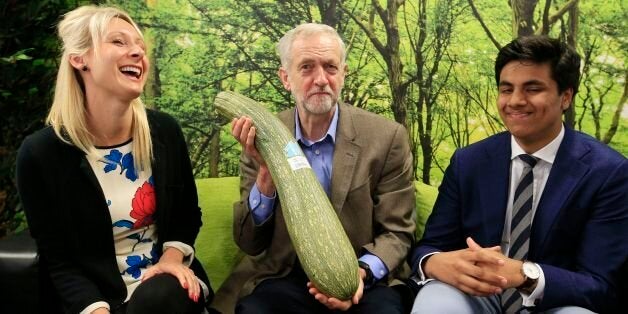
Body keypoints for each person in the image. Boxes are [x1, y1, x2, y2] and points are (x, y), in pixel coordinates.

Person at [408, 35, 628, 313]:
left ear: (566, 97)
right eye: (506, 89)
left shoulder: (608, 172)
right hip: (478, 294)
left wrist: (526, 274)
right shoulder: (469, 162)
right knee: (436, 298)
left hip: (557, 302)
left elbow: (601, 286)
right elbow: (430, 246)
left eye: (532, 89)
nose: (515, 101)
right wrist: (432, 262)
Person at [16, 5, 213, 314]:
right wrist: (96, 310)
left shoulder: (164, 132)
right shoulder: (40, 153)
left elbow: (186, 218)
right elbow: (58, 260)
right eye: (119, 42)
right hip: (94, 301)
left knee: (159, 297)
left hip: (169, 287)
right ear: (79, 59)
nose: (137, 52)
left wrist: (170, 261)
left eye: (140, 46)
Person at [211, 23, 416, 313]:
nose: (321, 79)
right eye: (306, 67)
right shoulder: (261, 137)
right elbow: (249, 243)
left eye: (330, 67)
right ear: (286, 78)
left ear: (343, 74)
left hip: (364, 278)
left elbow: (398, 232)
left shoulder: (386, 137)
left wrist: (360, 274)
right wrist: (266, 177)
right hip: (285, 276)